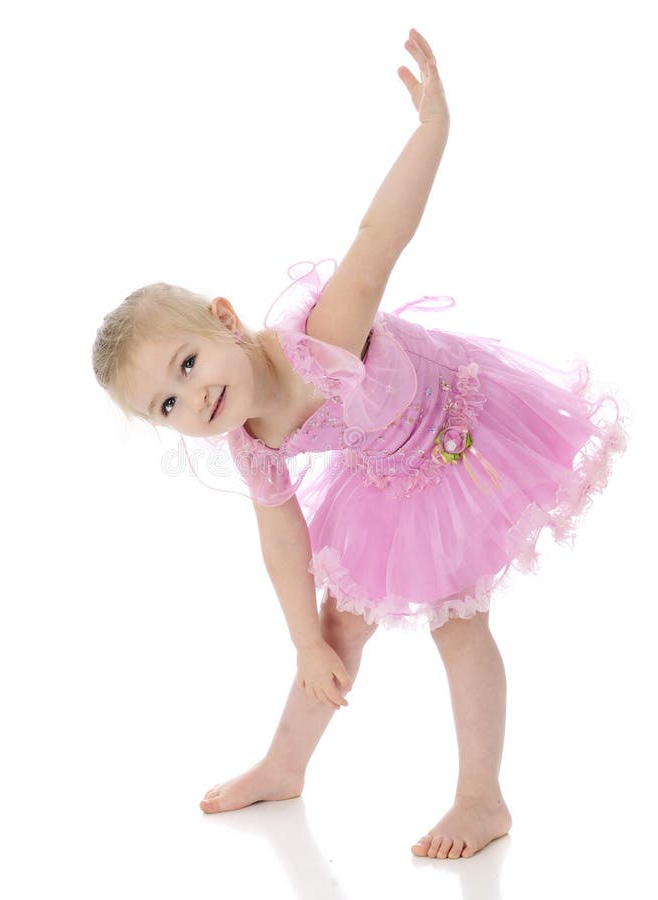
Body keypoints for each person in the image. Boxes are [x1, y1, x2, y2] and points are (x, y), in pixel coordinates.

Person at [91, 29, 630, 860]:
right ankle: (284, 764)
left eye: (189, 363)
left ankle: (482, 798)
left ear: (229, 322)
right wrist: (302, 639)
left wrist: (431, 130)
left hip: (461, 438)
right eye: (167, 403)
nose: (193, 397)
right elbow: (282, 539)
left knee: (458, 622)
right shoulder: (250, 438)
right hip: (384, 473)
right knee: (337, 638)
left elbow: (381, 237)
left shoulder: (326, 335)